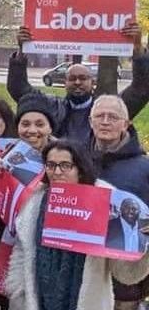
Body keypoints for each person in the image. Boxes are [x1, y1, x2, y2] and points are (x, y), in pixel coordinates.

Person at [5, 140, 149, 310]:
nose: (56, 172)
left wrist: (144, 246)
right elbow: (21, 252)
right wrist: (16, 292)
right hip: (37, 301)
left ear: (80, 169)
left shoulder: (106, 202)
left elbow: (125, 274)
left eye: (65, 165)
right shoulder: (34, 202)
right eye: (51, 165)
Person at [8, 22, 148, 142]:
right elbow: (18, 88)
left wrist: (137, 48)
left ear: (92, 82)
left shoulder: (107, 110)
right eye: (72, 78)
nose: (77, 82)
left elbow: (141, 90)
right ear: (65, 83)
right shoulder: (52, 106)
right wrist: (22, 50)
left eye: (83, 78)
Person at [84, 95, 149, 309]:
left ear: (126, 124)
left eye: (113, 117)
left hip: (124, 277)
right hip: (84, 272)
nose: (105, 121)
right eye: (99, 116)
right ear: (90, 121)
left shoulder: (144, 167)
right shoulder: (74, 160)